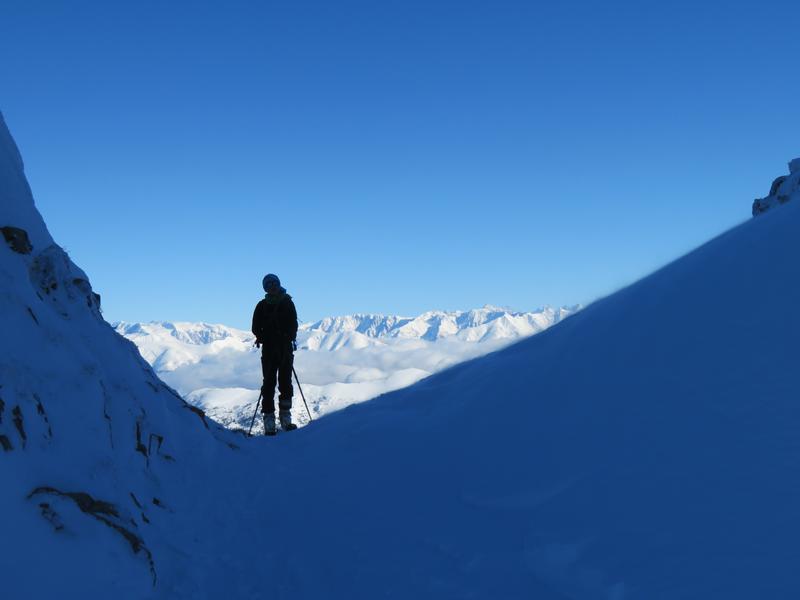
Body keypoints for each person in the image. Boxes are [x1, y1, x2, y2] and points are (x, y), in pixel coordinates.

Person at [251, 273, 299, 435]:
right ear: (265, 287)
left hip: (280, 348)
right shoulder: (264, 305)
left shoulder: (286, 303)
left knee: (282, 382)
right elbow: (255, 328)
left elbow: (293, 325)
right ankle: (274, 418)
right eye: (269, 284)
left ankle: (279, 417)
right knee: (271, 383)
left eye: (274, 283)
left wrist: (269, 337)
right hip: (276, 348)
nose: (272, 286)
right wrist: (280, 337)